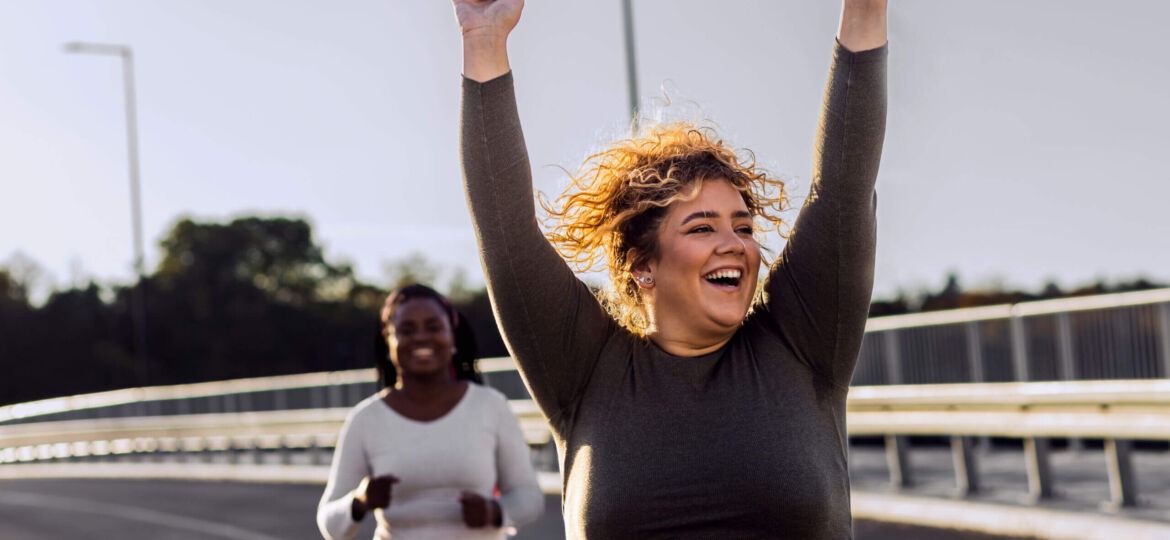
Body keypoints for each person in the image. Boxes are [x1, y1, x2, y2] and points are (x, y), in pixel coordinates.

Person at [454, 0, 887, 537]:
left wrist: (865, 11)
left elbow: (842, 188)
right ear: (642, 266)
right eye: (702, 228)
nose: (735, 245)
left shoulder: (802, 344)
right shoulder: (584, 369)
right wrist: (484, 39)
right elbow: (505, 230)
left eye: (745, 227)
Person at [316, 284, 544, 540]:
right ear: (388, 340)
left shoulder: (491, 406)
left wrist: (495, 511)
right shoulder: (365, 419)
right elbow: (330, 524)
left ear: (452, 336)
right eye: (407, 330)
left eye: (434, 327)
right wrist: (359, 501)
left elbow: (529, 497)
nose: (421, 338)